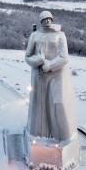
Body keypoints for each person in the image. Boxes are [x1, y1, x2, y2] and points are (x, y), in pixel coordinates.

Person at [25, 11, 77, 142]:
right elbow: (27, 56)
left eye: (49, 19)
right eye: (44, 19)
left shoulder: (60, 35)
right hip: (39, 75)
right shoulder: (34, 35)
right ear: (41, 21)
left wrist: (50, 65)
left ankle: (62, 135)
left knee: (57, 103)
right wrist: (38, 60)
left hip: (56, 75)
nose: (47, 21)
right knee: (38, 105)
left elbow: (64, 57)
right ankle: (38, 134)